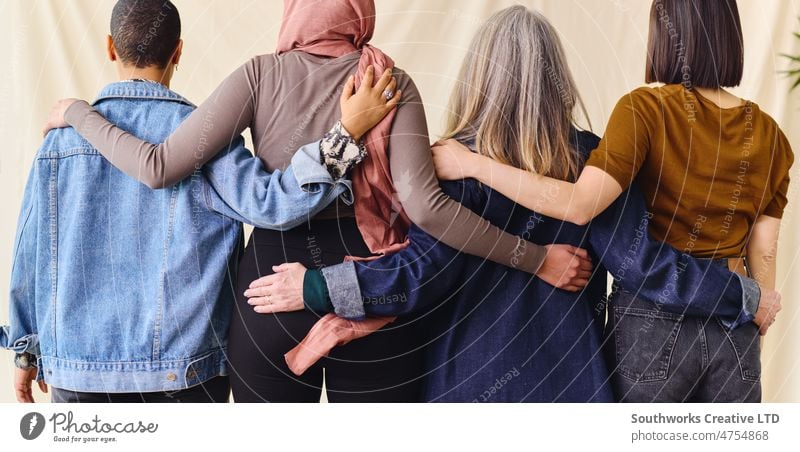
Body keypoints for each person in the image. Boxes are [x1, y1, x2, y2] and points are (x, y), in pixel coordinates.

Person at [42, 0, 596, 402]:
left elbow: (157, 167)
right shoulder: (388, 82)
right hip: (373, 288)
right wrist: (536, 258)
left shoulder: (259, 75)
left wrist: (77, 112)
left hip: (270, 286)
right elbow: (428, 210)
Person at [249, 5, 765, 402]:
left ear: (482, 77)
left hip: (466, 389)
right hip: (574, 389)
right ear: (558, 81)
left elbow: (420, 273)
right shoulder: (592, 163)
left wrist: (317, 285)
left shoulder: (453, 164)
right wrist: (742, 295)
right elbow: (641, 263)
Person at [1, 0, 392, 403]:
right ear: (179, 51)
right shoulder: (207, 141)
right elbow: (275, 205)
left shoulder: (60, 142)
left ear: (110, 47)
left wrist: (25, 350)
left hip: (77, 371)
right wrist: (344, 136)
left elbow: (30, 255)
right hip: (185, 373)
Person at [431, 0, 791, 402]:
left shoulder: (644, 110)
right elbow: (764, 251)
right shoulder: (772, 134)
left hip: (652, 322)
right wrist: (753, 319)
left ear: (663, 36)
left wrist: (474, 166)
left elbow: (581, 205)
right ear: (730, 37)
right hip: (733, 317)